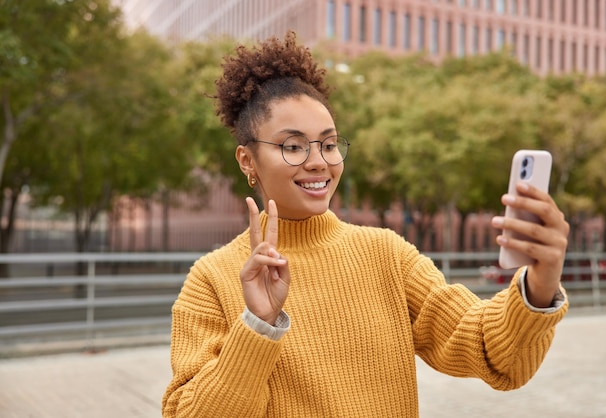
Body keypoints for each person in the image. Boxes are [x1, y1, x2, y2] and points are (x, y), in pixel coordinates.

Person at [162, 31, 569, 417]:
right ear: (247, 160)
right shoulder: (212, 279)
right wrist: (257, 324)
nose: (319, 160)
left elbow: (490, 351)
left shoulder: (387, 255)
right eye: (292, 146)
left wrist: (541, 282)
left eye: (328, 142)